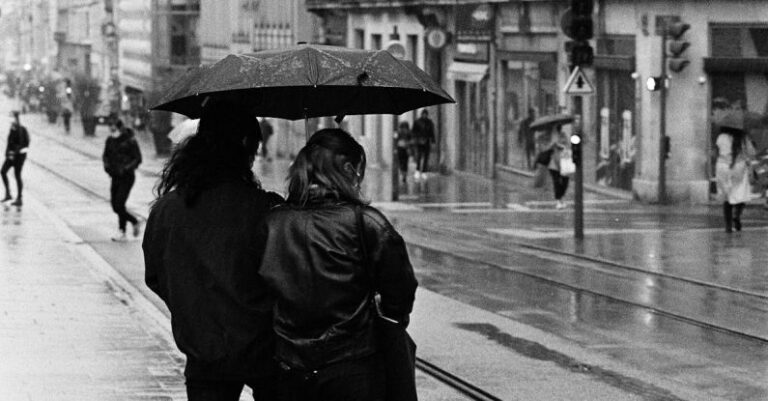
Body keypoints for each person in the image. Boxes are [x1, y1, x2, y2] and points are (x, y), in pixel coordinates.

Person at [255, 128, 418, 401]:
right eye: (359, 170)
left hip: (288, 367)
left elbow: (257, 290)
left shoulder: (272, 223)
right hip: (352, 366)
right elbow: (400, 291)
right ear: (347, 168)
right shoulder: (366, 222)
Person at [143, 99, 283, 400]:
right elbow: (288, 278)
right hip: (266, 349)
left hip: (203, 351)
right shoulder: (265, 210)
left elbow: (155, 276)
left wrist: (194, 308)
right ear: (245, 146)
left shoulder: (167, 210)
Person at [103, 119, 142, 241]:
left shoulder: (130, 140)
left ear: (119, 127)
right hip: (115, 176)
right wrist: (107, 167)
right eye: (109, 126)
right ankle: (133, 222)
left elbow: (137, 158)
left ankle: (123, 230)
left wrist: (125, 169)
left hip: (127, 177)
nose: (111, 128)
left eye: (113, 126)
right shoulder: (110, 140)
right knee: (115, 206)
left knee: (119, 204)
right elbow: (105, 156)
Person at [715, 113, 755, 233]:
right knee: (741, 193)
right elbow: (752, 153)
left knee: (727, 197)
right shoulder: (743, 138)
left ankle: (728, 226)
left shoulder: (721, 137)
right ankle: (736, 215)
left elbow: (716, 151)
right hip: (738, 167)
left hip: (722, 167)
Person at [2, 111, 30, 206]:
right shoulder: (12, 129)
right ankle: (8, 194)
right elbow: (9, 143)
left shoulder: (22, 130)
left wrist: (15, 152)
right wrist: (7, 153)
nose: (11, 121)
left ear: (16, 119)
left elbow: (24, 144)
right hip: (11, 156)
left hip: (19, 157)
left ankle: (19, 198)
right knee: (3, 171)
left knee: (17, 175)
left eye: (13, 119)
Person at [547, 125, 570, 209]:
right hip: (554, 164)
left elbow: (567, 146)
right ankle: (558, 200)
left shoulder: (564, 135)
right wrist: (552, 145)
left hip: (564, 162)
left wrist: (560, 145)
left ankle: (561, 197)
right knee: (556, 182)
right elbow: (547, 148)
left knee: (565, 182)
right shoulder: (552, 136)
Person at [412, 109, 435, 179]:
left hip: (427, 141)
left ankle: (424, 171)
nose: (424, 115)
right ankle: (418, 170)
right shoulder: (417, 122)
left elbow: (432, 132)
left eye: (426, 114)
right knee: (419, 156)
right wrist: (417, 138)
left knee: (426, 157)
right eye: (423, 114)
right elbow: (413, 132)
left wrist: (433, 140)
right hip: (419, 141)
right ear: (421, 114)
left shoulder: (430, 122)